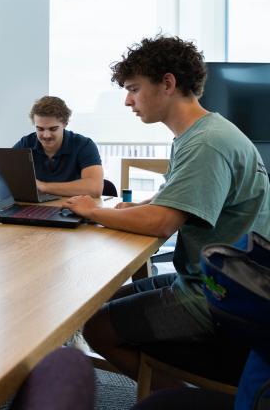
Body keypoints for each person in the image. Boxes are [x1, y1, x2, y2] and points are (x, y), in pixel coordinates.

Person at [63, 35, 270, 386]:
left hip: (217, 296)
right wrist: (136, 207)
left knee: (97, 327)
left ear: (168, 83)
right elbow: (174, 200)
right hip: (210, 279)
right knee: (104, 303)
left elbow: (162, 223)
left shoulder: (206, 143)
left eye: (134, 89)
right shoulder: (199, 133)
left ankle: (175, 395)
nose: (128, 101)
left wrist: (92, 211)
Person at [12, 95, 104, 197]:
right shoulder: (26, 143)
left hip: (72, 209)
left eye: (53, 129)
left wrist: (43, 187)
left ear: (65, 123)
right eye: (40, 129)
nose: (46, 135)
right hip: (36, 209)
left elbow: (95, 188)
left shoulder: (84, 145)